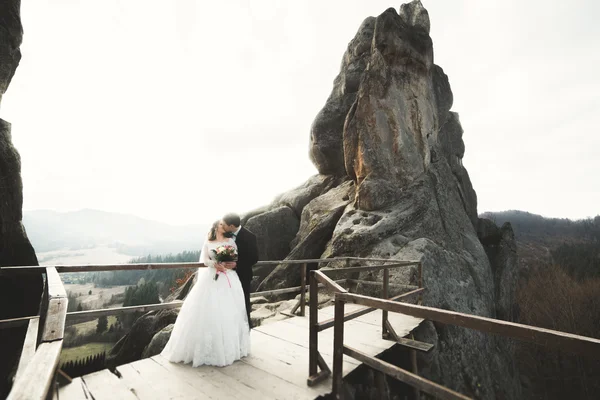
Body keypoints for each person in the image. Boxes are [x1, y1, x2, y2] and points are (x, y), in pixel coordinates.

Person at [161, 220, 250, 367]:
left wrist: (230, 264)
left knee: (228, 312)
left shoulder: (231, 241)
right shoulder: (208, 242)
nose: (224, 227)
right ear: (216, 227)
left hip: (228, 278)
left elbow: (235, 260)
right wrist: (214, 264)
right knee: (207, 311)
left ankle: (228, 348)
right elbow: (205, 260)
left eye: (225, 225)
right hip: (211, 278)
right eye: (221, 225)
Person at [220, 213, 258, 328]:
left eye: (224, 224)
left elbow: (254, 258)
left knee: (243, 303)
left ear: (231, 226)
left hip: (243, 276)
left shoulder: (250, 236)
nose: (222, 226)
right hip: (226, 276)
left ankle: (246, 329)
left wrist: (236, 264)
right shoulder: (224, 234)